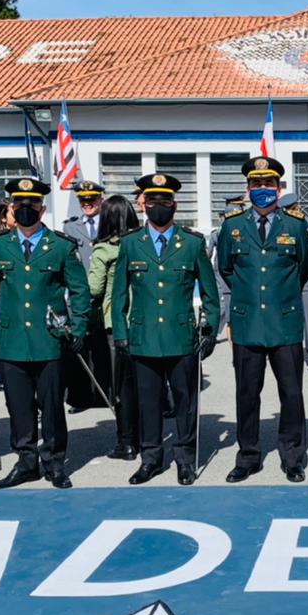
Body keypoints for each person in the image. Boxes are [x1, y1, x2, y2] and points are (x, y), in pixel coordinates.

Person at [0, 177, 90, 489]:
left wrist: (77, 327)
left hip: (49, 341)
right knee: (18, 407)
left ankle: (53, 463)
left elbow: (79, 292)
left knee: (51, 406)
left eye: (32, 204)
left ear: (42, 207)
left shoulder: (62, 246)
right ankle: (26, 462)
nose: (26, 209)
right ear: (11, 208)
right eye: (19, 204)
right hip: (11, 342)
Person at [113, 173, 219, 485]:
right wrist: (120, 330)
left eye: (165, 201)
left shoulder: (192, 243)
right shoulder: (131, 244)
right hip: (143, 337)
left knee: (186, 402)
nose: (159, 207)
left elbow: (210, 292)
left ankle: (185, 459)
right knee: (148, 402)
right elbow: (119, 292)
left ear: (175, 205)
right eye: (153, 201)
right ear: (143, 205)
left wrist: (210, 328)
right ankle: (151, 459)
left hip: (182, 336)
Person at [217, 155, 308, 482]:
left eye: (268, 183)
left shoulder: (296, 225)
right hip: (246, 325)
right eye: (256, 184)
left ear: (278, 186)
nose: (262, 189)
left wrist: (278, 296)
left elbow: (304, 268)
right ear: (247, 188)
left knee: (292, 393)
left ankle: (293, 456)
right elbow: (226, 269)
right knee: (247, 393)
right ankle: (248, 455)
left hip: (284, 323)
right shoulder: (231, 226)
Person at [89, 194, 140, 462]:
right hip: (142, 320)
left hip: (114, 323)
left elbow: (94, 288)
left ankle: (126, 442)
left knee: (120, 388)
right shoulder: (141, 244)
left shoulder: (104, 249)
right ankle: (144, 436)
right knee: (143, 384)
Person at [61, 180, 110, 412]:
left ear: (101, 200)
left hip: (104, 294)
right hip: (79, 294)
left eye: (91, 199)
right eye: (83, 200)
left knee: (104, 347)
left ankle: (105, 394)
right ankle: (79, 397)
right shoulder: (70, 227)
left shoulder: (110, 223)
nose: (87, 204)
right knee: (78, 346)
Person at [278, 193, 308, 371]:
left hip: (288, 276)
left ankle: (287, 352)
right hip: (306, 276)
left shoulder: (281, 225)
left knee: (287, 315)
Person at [207, 194, 243, 340]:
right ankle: (212, 332)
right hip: (230, 270)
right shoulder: (239, 229)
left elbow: (208, 254)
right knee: (226, 304)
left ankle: (213, 332)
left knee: (224, 303)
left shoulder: (217, 231)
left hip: (220, 269)